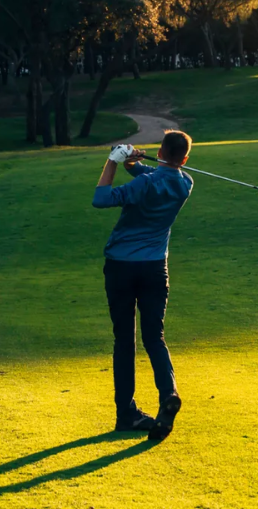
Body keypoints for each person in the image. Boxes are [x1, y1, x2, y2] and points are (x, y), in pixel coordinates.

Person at [92, 131, 194, 441]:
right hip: (154, 269)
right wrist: (132, 162)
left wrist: (113, 160)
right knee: (154, 337)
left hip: (122, 267)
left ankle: (126, 414)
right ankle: (168, 393)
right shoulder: (185, 183)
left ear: (161, 150)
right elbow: (156, 174)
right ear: (185, 159)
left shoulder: (144, 184)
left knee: (125, 340)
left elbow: (101, 198)